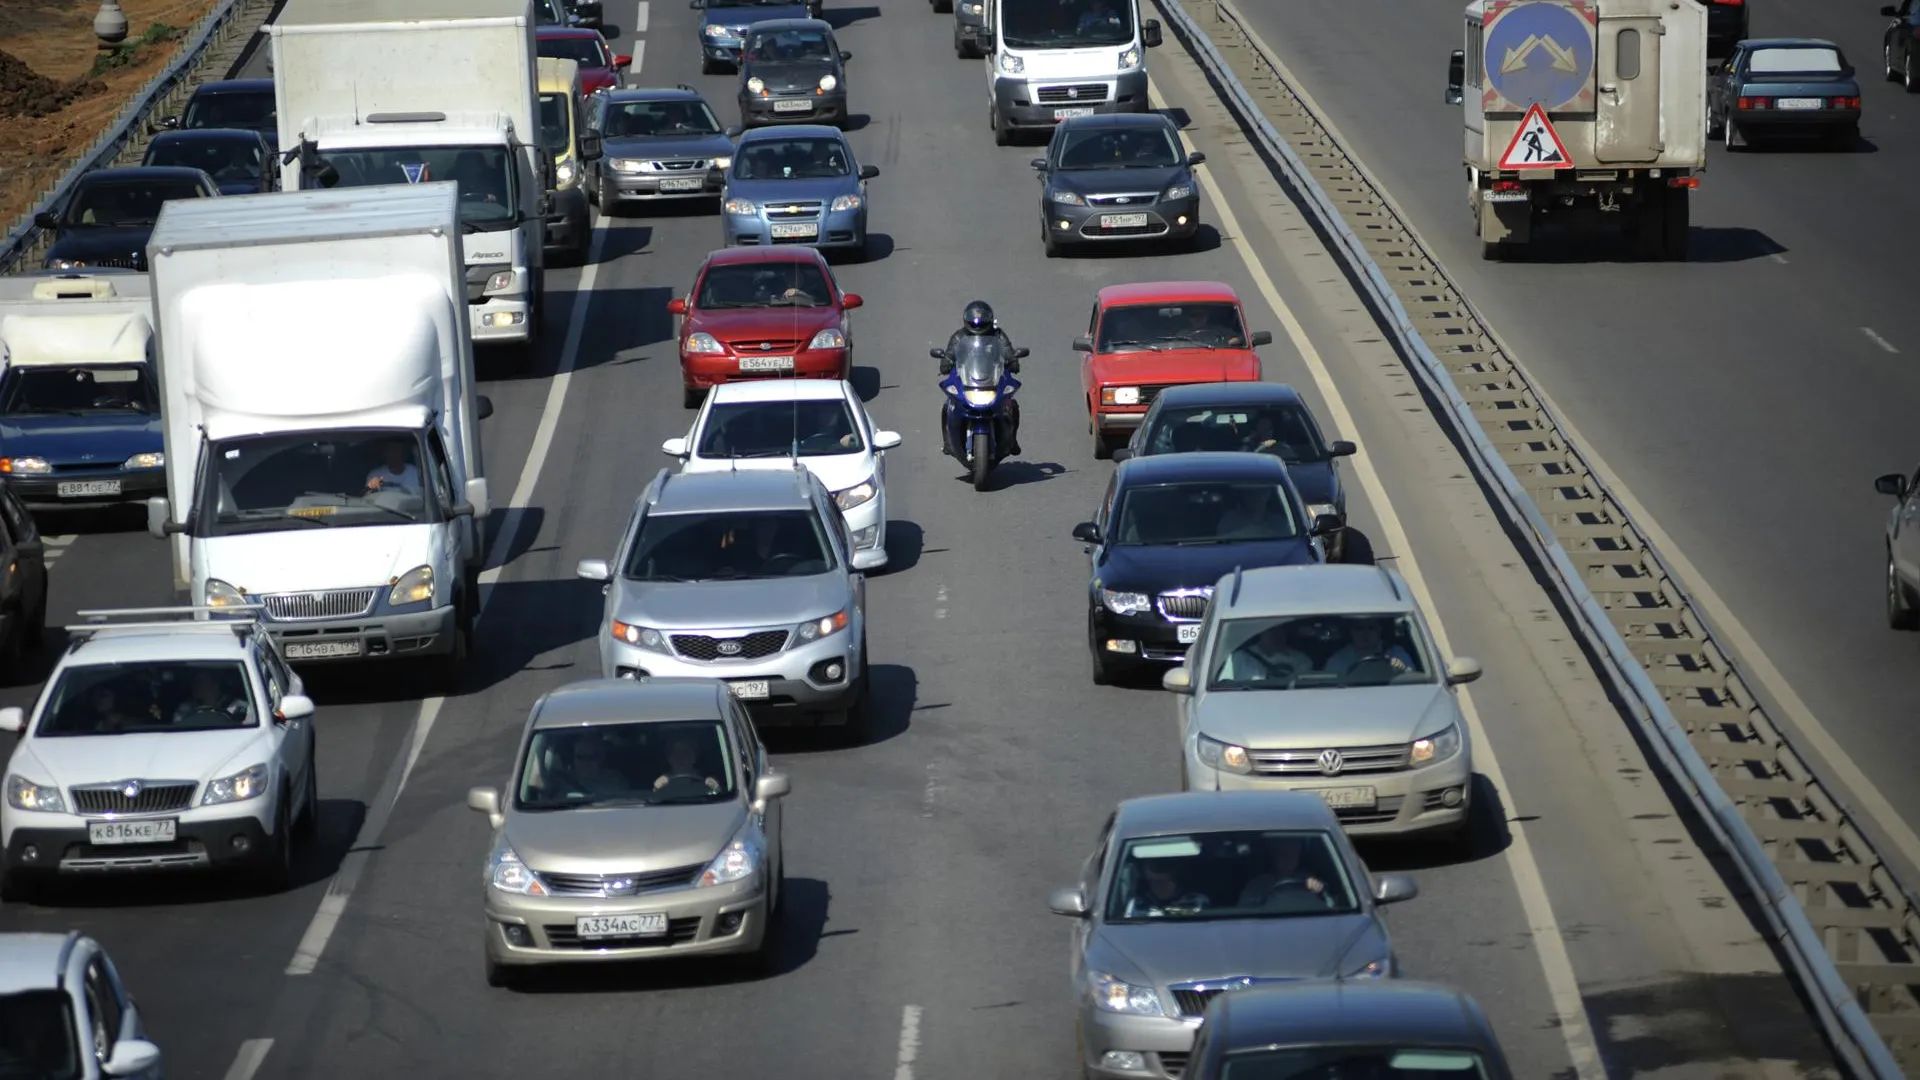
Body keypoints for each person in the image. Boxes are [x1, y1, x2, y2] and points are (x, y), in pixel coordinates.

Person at [939, 300, 1021, 456]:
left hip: (993, 379)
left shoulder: (998, 335)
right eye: (974, 321)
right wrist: (946, 362)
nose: (977, 325)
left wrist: (1013, 360)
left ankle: (1012, 440)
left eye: (981, 321)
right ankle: (948, 443)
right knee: (947, 407)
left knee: (1012, 406)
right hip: (967, 379)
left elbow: (1008, 351)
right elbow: (949, 354)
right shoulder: (959, 336)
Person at [1236, 836, 1328, 907]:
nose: (1288, 855)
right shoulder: (1256, 885)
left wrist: (1318, 891)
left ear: (1299, 851)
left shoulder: (1310, 881)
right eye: (1283, 852)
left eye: (1293, 848)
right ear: (1274, 852)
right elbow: (1243, 915)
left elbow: (1331, 907)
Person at [1324, 618, 1416, 679]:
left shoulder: (1397, 653)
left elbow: (1413, 679)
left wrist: (1400, 671)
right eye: (1359, 628)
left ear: (1379, 630)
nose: (1365, 633)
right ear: (1351, 632)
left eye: (1371, 628)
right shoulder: (1338, 660)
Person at [1226, 621, 1314, 684]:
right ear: (1261, 632)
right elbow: (1223, 685)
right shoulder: (1237, 658)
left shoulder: (1301, 661)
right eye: (1271, 629)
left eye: (1281, 629)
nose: (1276, 634)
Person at [1124, 861, 1211, 917]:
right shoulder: (1137, 904)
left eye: (1164, 882)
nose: (1160, 887)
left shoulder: (1196, 901)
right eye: (1155, 882)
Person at [172, 669, 247, 725]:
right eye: (196, 684)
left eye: (202, 683)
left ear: (216, 685)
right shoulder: (185, 709)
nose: (198, 688)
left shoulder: (239, 706)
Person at [652, 734, 721, 793]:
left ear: (694, 757)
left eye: (686, 753)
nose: (681, 758)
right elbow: (653, 803)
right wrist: (656, 789)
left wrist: (716, 789)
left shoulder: (705, 783)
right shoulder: (663, 784)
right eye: (676, 753)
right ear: (669, 759)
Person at [1214, 486, 1285, 539]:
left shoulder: (1278, 522)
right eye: (1251, 493)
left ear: (1269, 494)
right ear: (1244, 495)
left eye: (1261, 492)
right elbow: (1222, 546)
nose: (1256, 497)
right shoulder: (1229, 520)